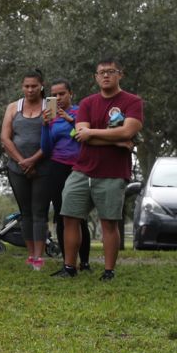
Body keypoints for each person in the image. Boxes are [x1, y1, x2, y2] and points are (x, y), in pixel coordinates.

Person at [53, 58, 143, 281]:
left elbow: (127, 132)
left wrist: (95, 134)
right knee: (69, 217)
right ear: (96, 77)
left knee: (109, 222)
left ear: (120, 74)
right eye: (101, 72)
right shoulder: (87, 103)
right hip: (82, 170)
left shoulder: (132, 101)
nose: (106, 75)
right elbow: (81, 134)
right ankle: (69, 267)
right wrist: (116, 140)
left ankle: (109, 271)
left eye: (111, 71)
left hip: (113, 172)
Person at [37, 79, 91, 270]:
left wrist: (70, 120)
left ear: (70, 94)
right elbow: (45, 148)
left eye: (62, 94)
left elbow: (86, 135)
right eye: (54, 94)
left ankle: (84, 261)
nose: (58, 98)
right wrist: (44, 126)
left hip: (79, 167)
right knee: (62, 215)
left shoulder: (80, 113)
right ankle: (67, 262)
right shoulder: (51, 118)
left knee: (78, 216)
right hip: (57, 166)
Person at [0, 70, 48, 270]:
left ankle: (39, 256)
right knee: (26, 212)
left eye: (34, 86)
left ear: (41, 86)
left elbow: (54, 137)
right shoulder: (13, 108)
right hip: (17, 168)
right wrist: (22, 162)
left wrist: (33, 161)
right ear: (22, 87)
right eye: (26, 86)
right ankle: (30, 254)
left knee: (40, 212)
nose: (30, 90)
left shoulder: (49, 107)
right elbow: (5, 138)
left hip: (43, 167)